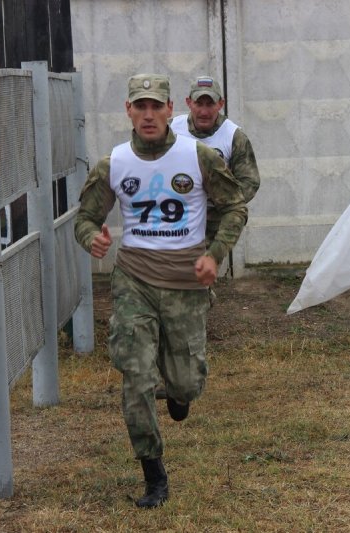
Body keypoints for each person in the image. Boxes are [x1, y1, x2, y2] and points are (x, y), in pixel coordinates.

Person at [74, 74, 247, 509]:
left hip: (186, 283)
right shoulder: (113, 163)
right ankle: (154, 475)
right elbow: (85, 217)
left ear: (172, 110)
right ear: (128, 111)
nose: (148, 115)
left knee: (186, 384)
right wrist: (91, 237)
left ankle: (179, 393)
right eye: (140, 106)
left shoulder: (198, 156)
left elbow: (235, 207)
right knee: (135, 376)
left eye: (156, 106)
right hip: (134, 280)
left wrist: (215, 254)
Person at [170, 75, 260, 245]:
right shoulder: (171, 129)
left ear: (220, 104)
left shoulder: (233, 136)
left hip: (211, 226)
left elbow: (249, 182)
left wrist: (219, 202)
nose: (204, 112)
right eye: (199, 104)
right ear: (189, 103)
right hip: (173, 218)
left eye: (210, 104)